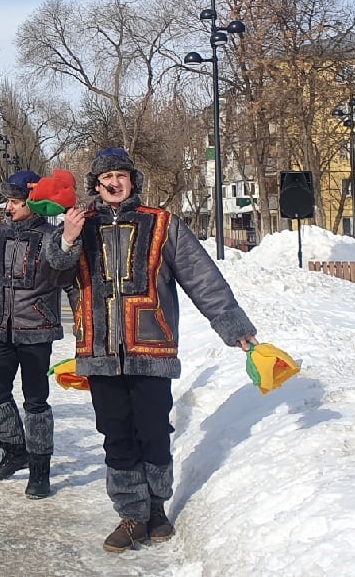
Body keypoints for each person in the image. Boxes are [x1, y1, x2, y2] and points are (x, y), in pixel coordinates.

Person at [43, 148, 260, 553]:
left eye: (121, 175)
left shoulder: (162, 224)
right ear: (95, 185)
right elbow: (53, 276)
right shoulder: (79, 226)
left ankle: (156, 508)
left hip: (152, 348)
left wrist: (234, 327)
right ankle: (131, 514)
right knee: (116, 436)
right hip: (99, 350)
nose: (114, 182)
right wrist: (67, 239)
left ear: (132, 181)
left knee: (154, 432)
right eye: (106, 177)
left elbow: (203, 279)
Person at [0, 170, 78, 500]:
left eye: (15, 202)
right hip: (1, 328)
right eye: (7, 201)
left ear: (33, 203)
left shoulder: (53, 238)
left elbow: (71, 285)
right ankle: (14, 450)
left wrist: (84, 323)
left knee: (36, 403)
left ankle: (40, 470)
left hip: (37, 330)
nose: (8, 208)